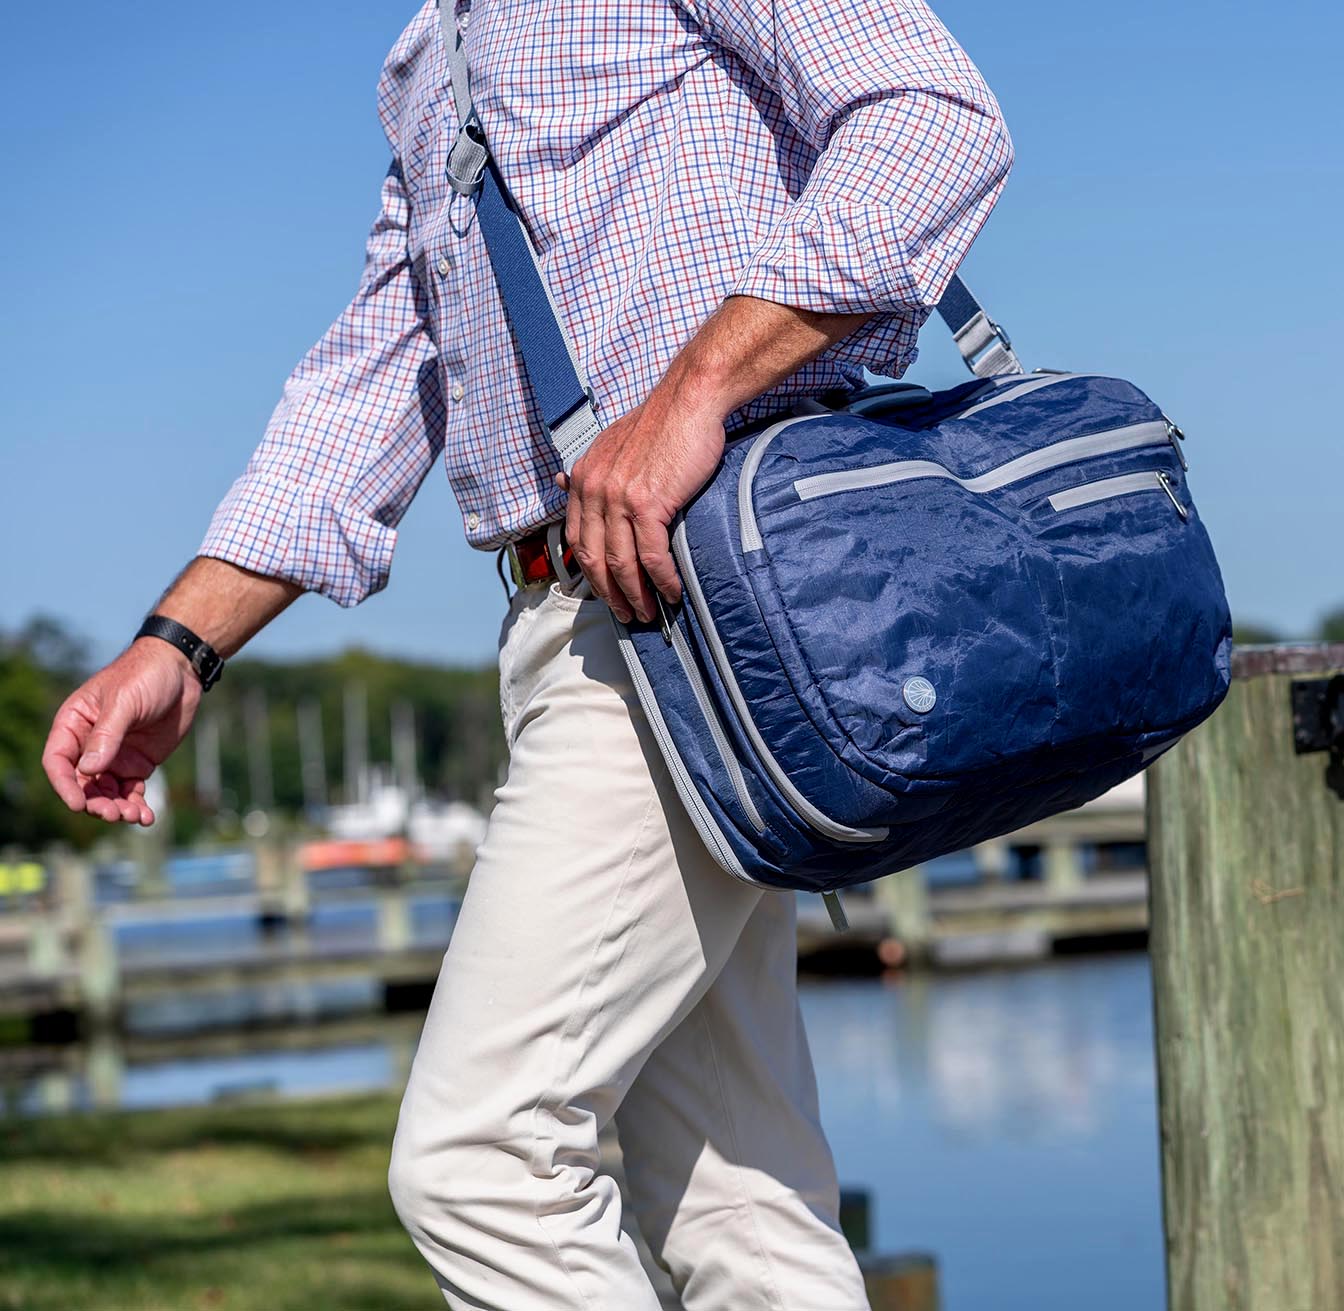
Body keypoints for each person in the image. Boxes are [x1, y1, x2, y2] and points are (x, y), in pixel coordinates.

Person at [41, 0, 1011, 1305]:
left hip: (704, 601)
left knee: (479, 1161)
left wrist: (692, 392)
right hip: (585, 617)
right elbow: (381, 367)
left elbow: (934, 123)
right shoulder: (433, 52)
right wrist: (180, 644)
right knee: (739, 1199)